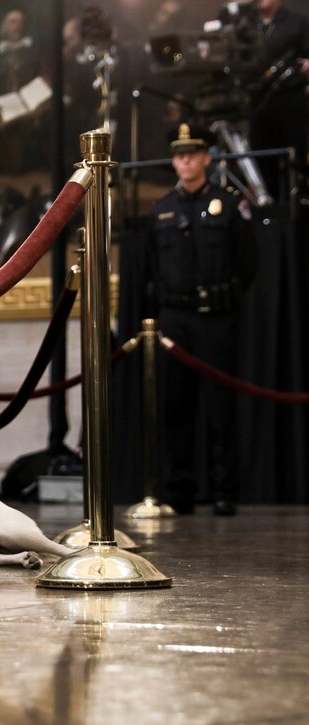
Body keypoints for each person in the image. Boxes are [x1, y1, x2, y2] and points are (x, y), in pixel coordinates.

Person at [145, 124, 256, 516]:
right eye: (179, 155)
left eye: (193, 154)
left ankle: (225, 490)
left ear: (207, 158)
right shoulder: (160, 210)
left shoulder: (230, 204)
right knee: (175, 408)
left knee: (221, 408)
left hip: (216, 318)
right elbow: (152, 269)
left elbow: (247, 263)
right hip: (175, 318)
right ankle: (179, 491)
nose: (185, 161)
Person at [247, 0, 309, 196]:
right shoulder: (244, 24)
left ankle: (298, 204)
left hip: (290, 101)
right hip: (256, 103)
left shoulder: (298, 21)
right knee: (261, 162)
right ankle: (268, 208)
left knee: (296, 161)